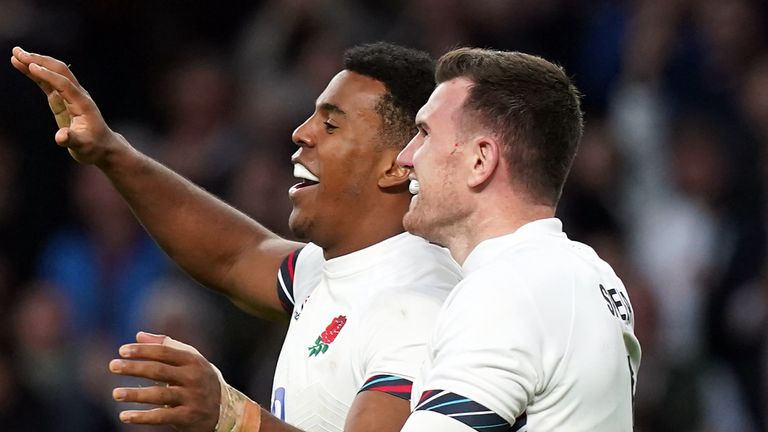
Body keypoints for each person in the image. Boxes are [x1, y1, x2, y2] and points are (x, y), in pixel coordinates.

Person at [10, 42, 461, 432]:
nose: (301, 133)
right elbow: (236, 254)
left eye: (331, 124)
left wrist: (234, 416)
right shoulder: (332, 266)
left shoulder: (418, 304)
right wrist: (112, 153)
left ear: (397, 164)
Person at [396, 48, 641, 431]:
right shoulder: (591, 274)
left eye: (424, 133)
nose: (405, 156)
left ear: (481, 161)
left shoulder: (508, 289)